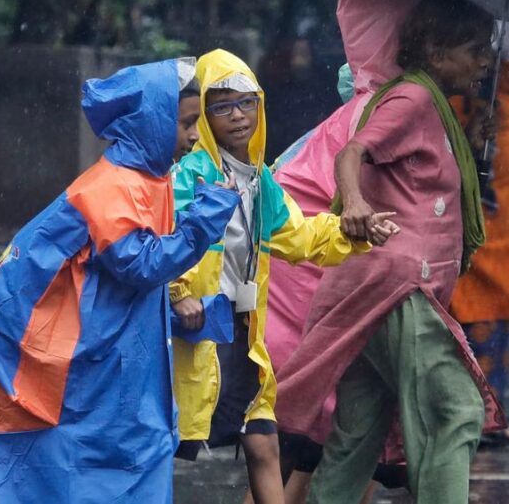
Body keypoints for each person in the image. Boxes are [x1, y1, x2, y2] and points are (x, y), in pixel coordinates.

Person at [0, 58, 241, 503]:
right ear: (152, 121)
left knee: (123, 460)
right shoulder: (110, 188)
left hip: (111, 357)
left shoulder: (147, 179)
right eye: (188, 122)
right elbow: (141, 265)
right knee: (90, 465)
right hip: (79, 359)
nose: (195, 136)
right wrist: (210, 212)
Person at [276, 0, 506, 504]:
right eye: (474, 49)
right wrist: (353, 203)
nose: (486, 60)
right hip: (397, 287)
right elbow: (353, 152)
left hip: (371, 289)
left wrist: (466, 140)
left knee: (358, 433)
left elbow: (419, 179)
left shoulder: (434, 106)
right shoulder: (413, 100)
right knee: (456, 411)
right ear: (436, 52)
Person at [168, 49, 397, 504]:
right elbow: (170, 241)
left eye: (246, 102)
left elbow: (300, 237)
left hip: (241, 329)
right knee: (169, 438)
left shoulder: (260, 181)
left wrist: (357, 233)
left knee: (263, 440)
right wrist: (178, 293)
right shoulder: (190, 176)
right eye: (222, 106)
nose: (237, 116)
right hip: (196, 329)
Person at [449, 53, 509, 446]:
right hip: (489, 159)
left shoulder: (453, 49)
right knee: (479, 287)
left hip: (489, 164)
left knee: (474, 287)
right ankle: (484, 408)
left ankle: (482, 408)